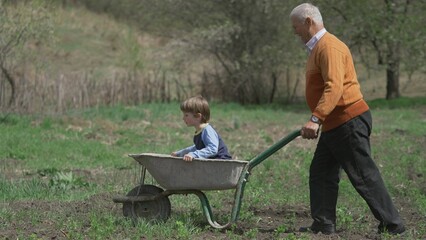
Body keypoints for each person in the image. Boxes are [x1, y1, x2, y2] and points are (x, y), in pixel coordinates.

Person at [289, 3, 405, 235]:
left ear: (309, 22)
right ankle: (323, 223)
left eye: (296, 27)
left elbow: (334, 87)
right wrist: (321, 118)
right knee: (321, 173)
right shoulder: (318, 49)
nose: (295, 32)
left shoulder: (329, 47)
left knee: (363, 174)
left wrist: (315, 118)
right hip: (335, 124)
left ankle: (394, 226)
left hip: (347, 121)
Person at [171, 96, 232, 161]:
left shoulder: (207, 130)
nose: (183, 118)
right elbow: (197, 148)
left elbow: (213, 149)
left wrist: (194, 154)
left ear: (198, 116)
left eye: (186, 115)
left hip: (221, 160)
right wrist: (179, 153)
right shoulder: (200, 131)